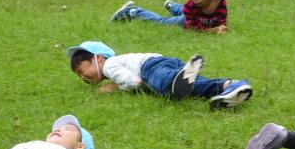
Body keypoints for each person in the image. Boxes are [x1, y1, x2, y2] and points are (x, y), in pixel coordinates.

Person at [67, 41, 252, 109]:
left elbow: (135, 81)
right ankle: (231, 86)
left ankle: (178, 77)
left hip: (149, 67)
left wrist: (114, 87)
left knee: (163, 86)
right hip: (167, 61)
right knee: (194, 88)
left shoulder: (109, 65)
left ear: (98, 58)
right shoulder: (115, 63)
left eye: (81, 70)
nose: (82, 77)